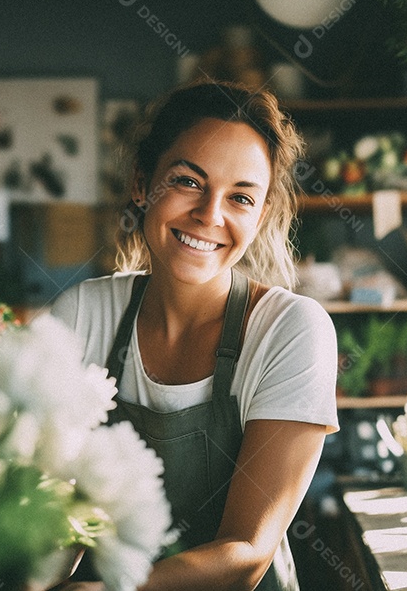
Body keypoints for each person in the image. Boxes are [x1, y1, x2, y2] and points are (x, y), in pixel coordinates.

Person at [50, 81, 339, 591]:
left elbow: (247, 553)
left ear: (262, 214)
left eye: (241, 197)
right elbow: (52, 502)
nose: (210, 215)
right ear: (143, 183)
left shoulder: (291, 331)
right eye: (188, 181)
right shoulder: (82, 314)